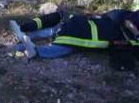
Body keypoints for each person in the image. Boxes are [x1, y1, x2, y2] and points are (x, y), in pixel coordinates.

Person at [10, 9, 139, 61]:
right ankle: (33, 46)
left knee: (58, 33)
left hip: (82, 25)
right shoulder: (125, 20)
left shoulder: (122, 19)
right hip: (87, 30)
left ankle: (27, 40)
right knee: (64, 45)